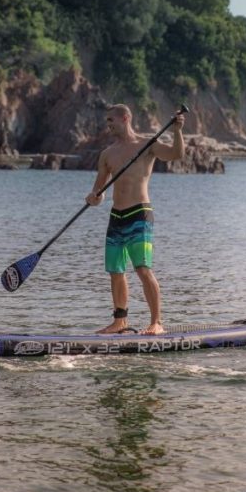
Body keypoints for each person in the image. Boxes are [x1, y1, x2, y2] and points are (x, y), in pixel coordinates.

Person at [85, 104, 185, 335]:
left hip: (139, 213)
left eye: (112, 120)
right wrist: (93, 197)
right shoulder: (107, 154)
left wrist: (178, 131)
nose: (108, 124)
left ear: (125, 118)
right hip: (116, 216)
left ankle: (157, 322)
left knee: (142, 269)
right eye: (107, 120)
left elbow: (176, 155)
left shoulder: (146, 145)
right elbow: (99, 192)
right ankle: (120, 321)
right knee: (116, 270)